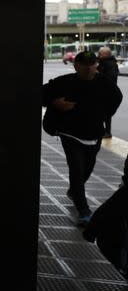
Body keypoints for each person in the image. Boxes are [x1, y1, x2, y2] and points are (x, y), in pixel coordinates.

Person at [43, 51, 122, 225]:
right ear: (76, 65)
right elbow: (42, 93)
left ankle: (74, 191)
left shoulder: (104, 84)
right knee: (77, 169)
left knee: (88, 168)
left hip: (94, 133)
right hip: (70, 133)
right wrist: (55, 103)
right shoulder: (65, 82)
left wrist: (102, 115)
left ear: (96, 66)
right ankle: (83, 210)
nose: (88, 68)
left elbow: (117, 98)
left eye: (91, 64)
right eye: (83, 64)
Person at [98, 46, 119, 139]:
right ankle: (103, 131)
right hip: (103, 91)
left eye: (100, 53)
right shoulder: (103, 62)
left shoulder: (110, 64)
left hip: (108, 92)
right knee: (102, 112)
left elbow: (111, 78)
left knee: (106, 113)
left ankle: (107, 132)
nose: (98, 55)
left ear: (105, 54)